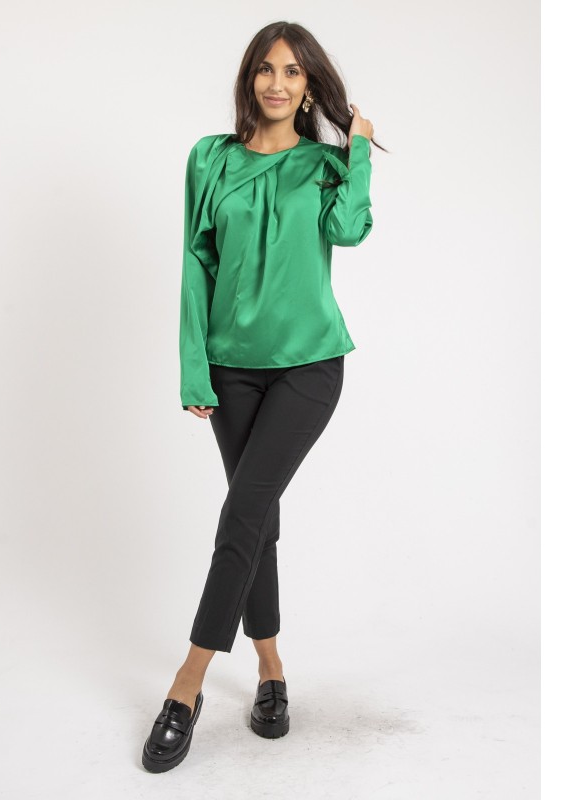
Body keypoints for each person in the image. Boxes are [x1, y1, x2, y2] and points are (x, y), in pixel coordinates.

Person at [142, 20, 386, 773]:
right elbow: (195, 262)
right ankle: (272, 670)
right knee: (259, 519)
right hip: (231, 369)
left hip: (309, 367)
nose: (277, 83)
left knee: (243, 512)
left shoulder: (323, 165)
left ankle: (186, 686)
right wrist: (193, 367)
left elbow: (350, 231)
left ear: (309, 86)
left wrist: (357, 153)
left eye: (292, 72)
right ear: (250, 79)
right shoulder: (210, 159)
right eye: (265, 70)